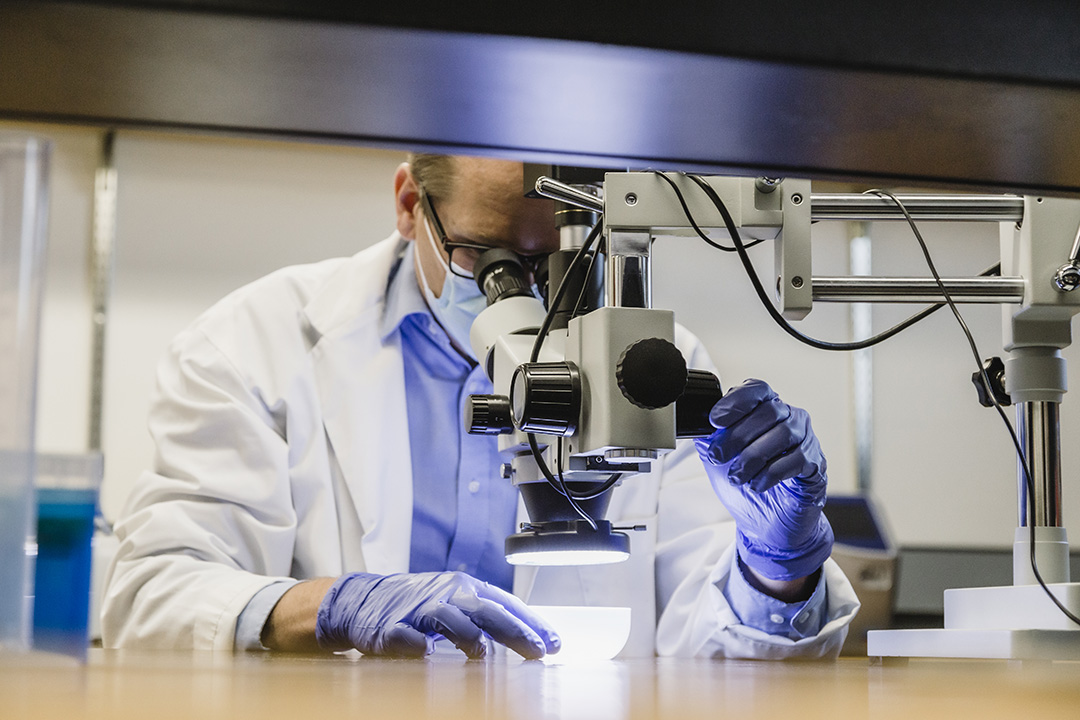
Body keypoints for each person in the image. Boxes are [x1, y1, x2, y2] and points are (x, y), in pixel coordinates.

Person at [102, 154, 859, 659]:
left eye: (557, 263)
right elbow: (152, 596)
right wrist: (332, 604)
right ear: (409, 205)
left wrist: (777, 565)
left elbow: (714, 653)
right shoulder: (257, 342)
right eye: (491, 262)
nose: (529, 295)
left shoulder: (658, 364)